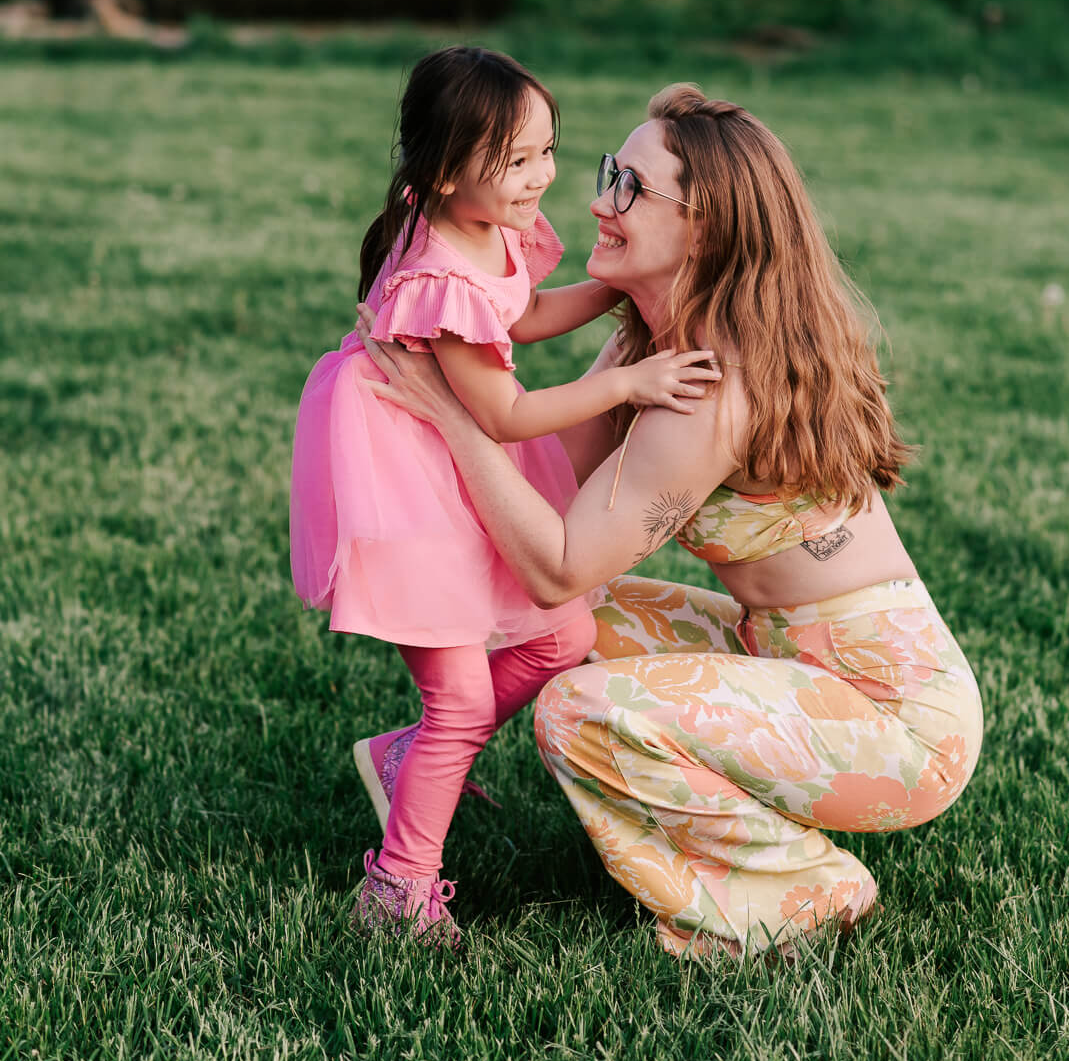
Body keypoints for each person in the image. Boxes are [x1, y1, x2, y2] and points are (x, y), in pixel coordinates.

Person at [355, 84, 983, 960]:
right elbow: (554, 506)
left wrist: (455, 418)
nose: (595, 201)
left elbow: (555, 561)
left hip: (897, 724)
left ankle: (803, 887)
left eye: (629, 188)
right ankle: (415, 756)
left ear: (708, 229)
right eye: (611, 172)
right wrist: (458, 365)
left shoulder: (716, 386)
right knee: (573, 624)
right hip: (783, 653)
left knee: (578, 707)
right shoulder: (653, 339)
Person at [290, 50, 719, 947]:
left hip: (454, 468)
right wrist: (626, 385)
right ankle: (398, 888)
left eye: (547, 151)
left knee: (562, 634)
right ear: (448, 175)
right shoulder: (440, 276)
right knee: (459, 702)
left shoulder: (481, 222)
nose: (545, 177)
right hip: (412, 485)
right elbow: (507, 411)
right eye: (520, 162)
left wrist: (616, 284)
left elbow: (517, 317)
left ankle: (405, 758)